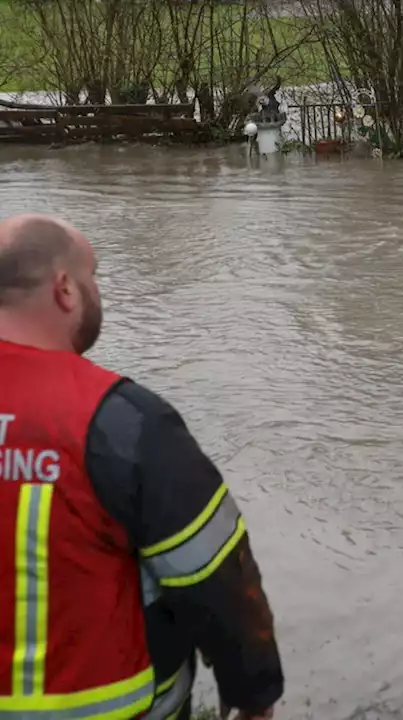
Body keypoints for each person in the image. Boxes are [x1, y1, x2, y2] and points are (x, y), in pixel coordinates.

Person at [0, 213, 283, 719]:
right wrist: (253, 695)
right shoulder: (119, 422)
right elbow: (215, 579)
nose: (96, 290)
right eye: (93, 275)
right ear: (65, 289)